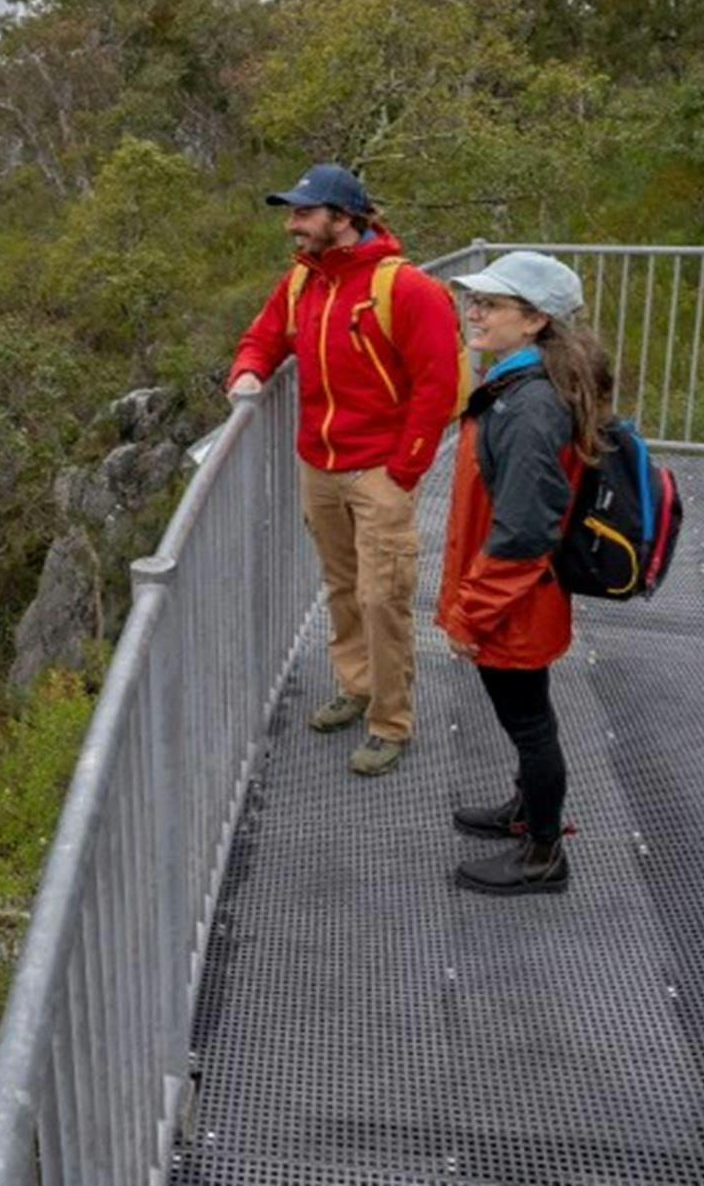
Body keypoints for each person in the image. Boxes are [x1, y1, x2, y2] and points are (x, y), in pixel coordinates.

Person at [228, 163, 465, 777]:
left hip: (379, 471)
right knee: (340, 587)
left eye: (303, 213)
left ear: (342, 217)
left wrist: (404, 470)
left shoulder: (407, 289)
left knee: (382, 595)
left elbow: (438, 387)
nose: (292, 225)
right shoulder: (302, 284)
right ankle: (356, 685)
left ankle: (390, 721)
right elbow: (260, 340)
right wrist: (248, 375)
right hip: (319, 466)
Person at [435, 249, 611, 895]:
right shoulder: (523, 384)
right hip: (515, 593)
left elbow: (526, 532)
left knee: (530, 725)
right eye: (472, 300)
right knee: (526, 717)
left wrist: (468, 615)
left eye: (490, 304)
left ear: (535, 320)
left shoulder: (529, 405)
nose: (472, 312)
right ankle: (525, 813)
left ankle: (543, 855)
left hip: (514, 599)